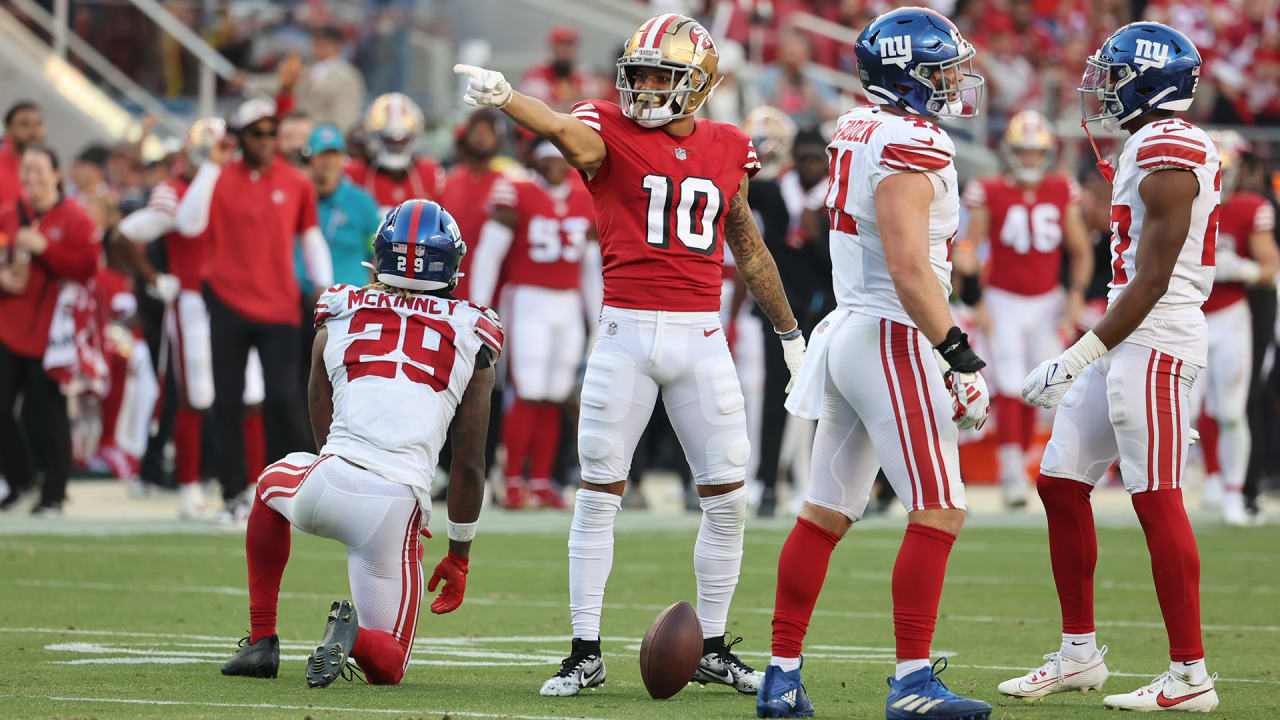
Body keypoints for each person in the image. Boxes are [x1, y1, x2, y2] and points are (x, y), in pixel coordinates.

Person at [455, 11, 807, 699]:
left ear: (698, 84)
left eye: (660, 75)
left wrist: (790, 333)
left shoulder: (730, 143)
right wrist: (508, 99)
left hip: (701, 337)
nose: (643, 87)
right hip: (624, 332)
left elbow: (749, 246)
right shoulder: (608, 131)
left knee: (728, 498)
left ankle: (710, 643)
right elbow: (562, 130)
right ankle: (584, 649)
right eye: (638, 74)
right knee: (597, 494)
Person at [754, 8, 993, 720]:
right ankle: (914, 682)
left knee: (825, 512)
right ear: (909, 74)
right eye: (943, 67)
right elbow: (910, 268)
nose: (955, 79)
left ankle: (781, 677)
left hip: (855, 328)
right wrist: (960, 355)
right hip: (893, 333)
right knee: (941, 508)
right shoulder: (914, 141)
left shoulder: (860, 125)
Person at [1001, 22, 1222, 712]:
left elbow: (1152, 279)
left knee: (1156, 497)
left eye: (1113, 74)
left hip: (1154, 338)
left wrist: (1078, 354)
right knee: (1062, 483)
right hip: (1129, 334)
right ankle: (1078, 655)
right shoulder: (1150, 142)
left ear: (1146, 80)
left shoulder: (1168, 145)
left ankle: (1191, 676)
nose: (1101, 87)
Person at [219, 199, 499, 687]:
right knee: (387, 665)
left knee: (268, 487)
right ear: (451, 262)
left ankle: (262, 640)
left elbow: (318, 399)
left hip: (327, 482)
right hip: (397, 507)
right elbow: (470, 462)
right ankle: (352, 639)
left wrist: (338, 468)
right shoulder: (473, 330)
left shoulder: (340, 307)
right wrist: (459, 554)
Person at [174, 97, 333, 522]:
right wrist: (211, 165)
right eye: (257, 133)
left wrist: (326, 289)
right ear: (240, 136)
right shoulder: (218, 177)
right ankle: (233, 494)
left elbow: (310, 236)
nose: (266, 140)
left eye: (271, 132)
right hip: (227, 303)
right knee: (227, 402)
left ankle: (305, 487)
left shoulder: (296, 182)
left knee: (283, 398)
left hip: (279, 307)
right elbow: (187, 223)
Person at [956, 109, 1093, 508]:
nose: (1031, 160)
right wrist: (975, 297)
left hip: (1047, 300)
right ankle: (1012, 473)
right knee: (1011, 383)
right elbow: (969, 248)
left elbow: (1080, 249)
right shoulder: (989, 190)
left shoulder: (1061, 189)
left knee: (1044, 386)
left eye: (1036, 153)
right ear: (1011, 152)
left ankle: (1042, 468)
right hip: (1003, 300)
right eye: (1024, 152)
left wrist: (1075, 292)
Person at [469, 141, 595, 510]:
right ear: (535, 162)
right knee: (527, 389)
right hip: (528, 298)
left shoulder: (583, 196)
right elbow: (489, 255)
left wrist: (599, 315)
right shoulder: (518, 192)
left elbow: (591, 267)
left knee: (556, 393)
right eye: (547, 160)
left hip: (568, 301)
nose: (555, 167)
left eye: (561, 160)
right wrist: (480, 307)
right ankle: (512, 480)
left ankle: (540, 480)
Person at [0, 145, 100, 514]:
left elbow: (88, 268)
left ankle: (54, 493)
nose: (32, 177)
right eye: (26, 170)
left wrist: (46, 248)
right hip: (8, 326)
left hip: (53, 334)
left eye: (40, 170)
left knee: (48, 412)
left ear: (58, 174)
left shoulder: (75, 217)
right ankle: (21, 478)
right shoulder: (8, 214)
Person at [1192, 130, 1278, 526]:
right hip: (1187, 315)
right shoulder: (1183, 203)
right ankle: (1181, 489)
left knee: (1229, 411)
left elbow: (1268, 267)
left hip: (1230, 316)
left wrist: (1239, 268)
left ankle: (1231, 494)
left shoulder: (1248, 208)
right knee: (1183, 411)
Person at [438, 109, 507, 301]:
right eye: (476, 131)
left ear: (498, 139)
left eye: (488, 132)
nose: (481, 137)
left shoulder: (507, 185)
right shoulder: (446, 182)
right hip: (448, 290)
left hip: (495, 293)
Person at [306, 125, 381, 287]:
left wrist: (371, 294)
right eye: (321, 154)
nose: (327, 161)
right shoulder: (299, 197)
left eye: (333, 154)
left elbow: (375, 253)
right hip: (303, 298)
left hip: (350, 302)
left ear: (342, 158)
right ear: (310, 158)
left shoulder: (362, 201)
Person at [344, 93, 444, 214]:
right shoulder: (353, 174)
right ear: (372, 138)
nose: (395, 146)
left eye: (403, 140)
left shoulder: (430, 172)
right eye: (388, 140)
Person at [279, 25, 366, 133]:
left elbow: (345, 118)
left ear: (336, 45)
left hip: (322, 137)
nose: (319, 46)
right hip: (296, 133)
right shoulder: (307, 68)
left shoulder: (347, 76)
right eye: (316, 41)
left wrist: (333, 142)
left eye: (325, 42)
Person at [520, 25, 597, 112]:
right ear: (552, 47)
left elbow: (592, 104)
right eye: (561, 45)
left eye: (569, 45)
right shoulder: (536, 74)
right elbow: (536, 108)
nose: (565, 50)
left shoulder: (582, 75)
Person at [0, 102, 45, 206]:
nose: (33, 132)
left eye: (38, 124)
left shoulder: (50, 173)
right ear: (9, 129)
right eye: (24, 124)